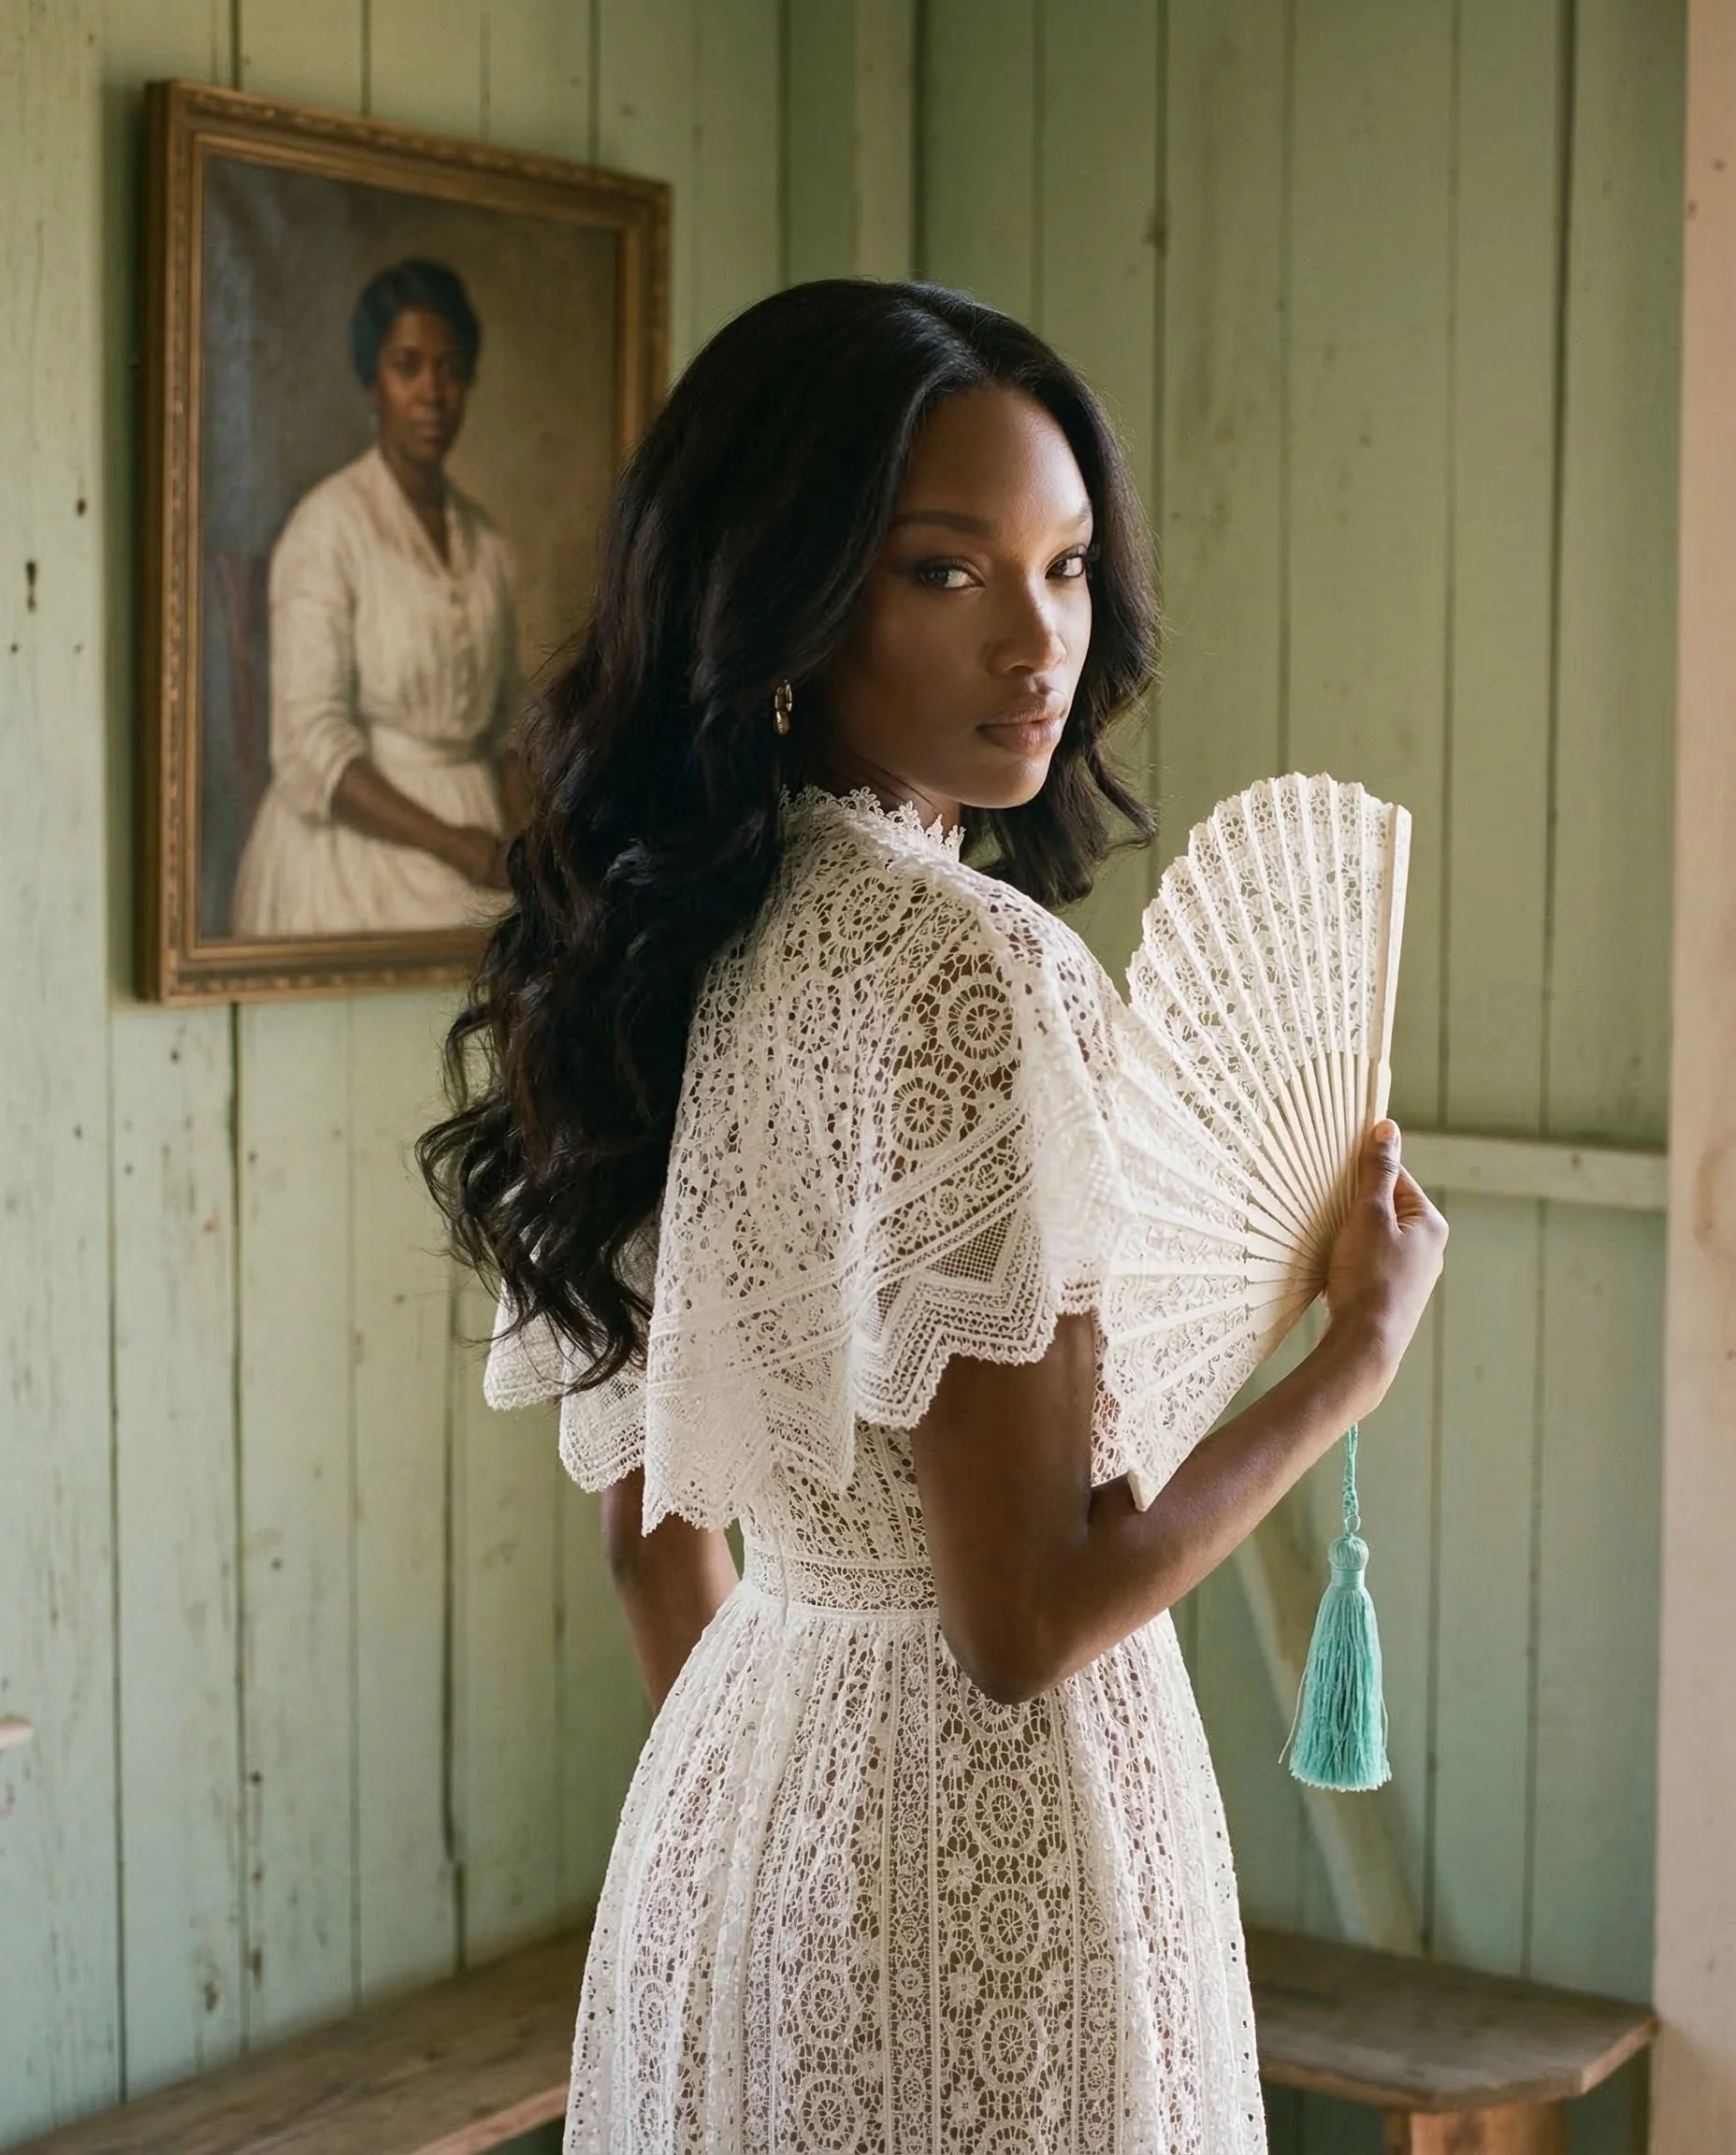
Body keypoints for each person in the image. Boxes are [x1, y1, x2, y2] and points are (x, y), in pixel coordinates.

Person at [419, 279, 1447, 2153]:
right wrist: (1346, 1363)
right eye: (946, 572)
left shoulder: (670, 945)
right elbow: (1025, 1616)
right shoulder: (975, 976)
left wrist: (793, 1824)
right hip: (1002, 1857)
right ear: (790, 597)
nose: (1034, 643)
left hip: (734, 1827)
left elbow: (654, 1550)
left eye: (1061, 572)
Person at [231, 258, 527, 939]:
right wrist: (464, 847)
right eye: (408, 367)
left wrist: (524, 842)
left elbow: (509, 723)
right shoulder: (328, 526)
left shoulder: (486, 544)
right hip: (358, 843)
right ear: (373, 384)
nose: (433, 393)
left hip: (482, 846)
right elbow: (312, 740)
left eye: (450, 369)